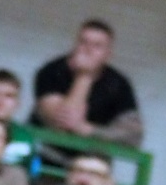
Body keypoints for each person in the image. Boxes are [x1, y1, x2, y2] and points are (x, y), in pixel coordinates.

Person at [30, 21, 142, 151]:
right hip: (43, 152)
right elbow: (63, 125)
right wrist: (84, 75)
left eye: (97, 46)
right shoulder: (52, 71)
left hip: (90, 158)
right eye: (83, 42)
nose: (88, 50)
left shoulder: (119, 84)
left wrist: (89, 130)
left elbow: (134, 137)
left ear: (108, 54)